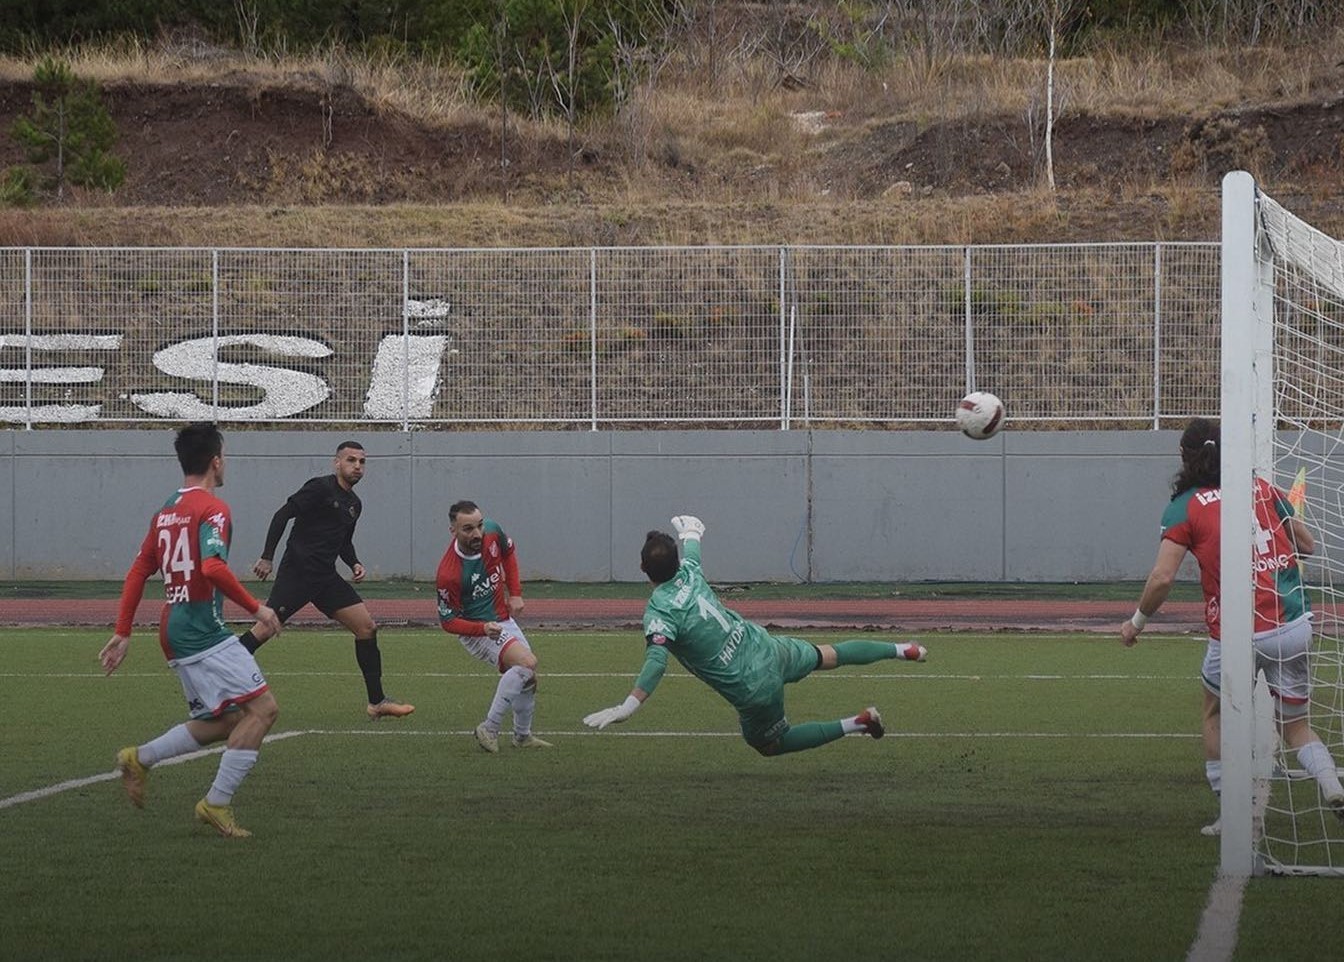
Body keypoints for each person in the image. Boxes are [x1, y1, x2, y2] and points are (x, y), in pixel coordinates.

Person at [1120, 417, 1344, 834]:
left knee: (1214, 710)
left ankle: (1232, 815)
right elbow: (1308, 546)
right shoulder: (1261, 488)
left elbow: (1162, 578)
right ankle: (1332, 783)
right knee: (1295, 725)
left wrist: (1136, 623)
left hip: (1240, 632)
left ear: (1187, 458)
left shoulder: (1185, 504)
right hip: (1293, 624)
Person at [583, 515, 928, 756]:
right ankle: (902, 648)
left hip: (753, 687)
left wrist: (627, 707)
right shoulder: (690, 571)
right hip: (765, 645)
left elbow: (657, 661)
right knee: (829, 654)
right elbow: (692, 542)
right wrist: (690, 530)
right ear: (675, 561)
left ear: (642, 570)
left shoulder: (659, 611)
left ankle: (859, 723)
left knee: (769, 745)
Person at [100, 422, 284, 839]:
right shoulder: (213, 508)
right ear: (216, 461)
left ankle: (139, 757)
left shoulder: (166, 509)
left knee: (225, 721)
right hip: (202, 628)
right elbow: (213, 567)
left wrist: (124, 630)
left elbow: (139, 570)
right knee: (264, 710)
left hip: (174, 625)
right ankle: (215, 803)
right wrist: (260, 608)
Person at [239, 441, 413, 721]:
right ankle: (218, 680)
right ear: (337, 463)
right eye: (351, 460)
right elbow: (282, 515)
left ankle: (377, 702)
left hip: (325, 578)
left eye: (362, 462)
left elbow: (343, 541)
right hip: (298, 573)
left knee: (366, 627)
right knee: (264, 631)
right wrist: (267, 556)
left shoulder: (354, 504)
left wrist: (353, 562)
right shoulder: (319, 488)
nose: (357, 466)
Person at [436, 500, 551, 753]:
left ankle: (522, 736)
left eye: (479, 525)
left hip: (502, 619)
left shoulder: (492, 531)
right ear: (452, 530)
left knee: (529, 677)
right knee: (527, 664)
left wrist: (516, 593)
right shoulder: (449, 573)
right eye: (467, 529)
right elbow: (448, 621)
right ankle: (489, 727)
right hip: (476, 628)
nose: (477, 533)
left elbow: (508, 552)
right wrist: (482, 629)